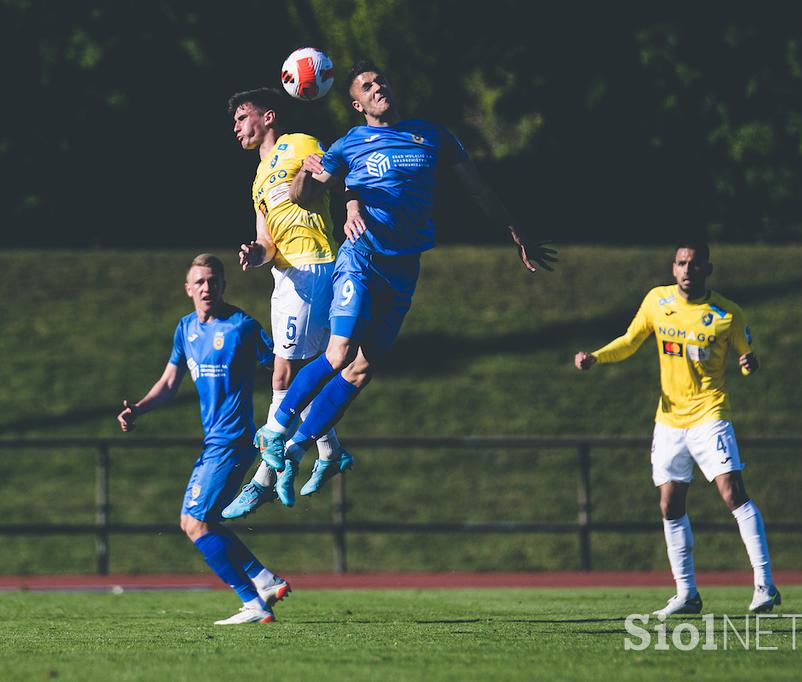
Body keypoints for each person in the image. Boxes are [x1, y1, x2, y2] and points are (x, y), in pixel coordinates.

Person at [253, 59, 556, 478]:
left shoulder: (432, 137)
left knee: (361, 370)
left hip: (404, 266)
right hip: (360, 258)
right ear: (357, 104)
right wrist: (307, 175)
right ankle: (274, 429)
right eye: (367, 87)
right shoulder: (348, 144)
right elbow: (305, 197)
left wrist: (514, 231)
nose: (378, 88)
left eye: (382, 81)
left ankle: (298, 448)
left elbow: (478, 188)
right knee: (339, 353)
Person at [574, 242, 779, 616]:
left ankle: (764, 583)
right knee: (670, 504)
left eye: (695, 264)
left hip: (710, 414)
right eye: (682, 263)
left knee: (732, 492)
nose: (688, 270)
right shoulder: (657, 301)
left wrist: (749, 363)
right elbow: (631, 341)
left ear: (707, 270)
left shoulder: (726, 314)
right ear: (673, 268)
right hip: (669, 421)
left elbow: (747, 360)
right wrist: (596, 358)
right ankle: (687, 593)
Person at [116, 254, 289, 625]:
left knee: (195, 523)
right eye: (200, 282)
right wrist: (139, 409)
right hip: (214, 442)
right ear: (188, 289)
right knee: (201, 522)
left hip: (234, 440)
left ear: (224, 286)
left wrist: (283, 419)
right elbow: (168, 383)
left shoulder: (242, 326)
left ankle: (254, 602)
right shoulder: (186, 329)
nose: (207, 288)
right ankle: (265, 581)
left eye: (213, 281)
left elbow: (281, 366)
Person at [222, 87, 353, 515]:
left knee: (284, 369)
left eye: (243, 117)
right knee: (304, 371)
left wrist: (350, 207)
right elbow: (266, 241)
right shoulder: (257, 179)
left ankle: (265, 473)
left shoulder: (299, 143)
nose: (237, 126)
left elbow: (335, 174)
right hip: (285, 276)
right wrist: (254, 254)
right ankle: (330, 452)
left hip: (314, 265)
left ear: (268, 117)